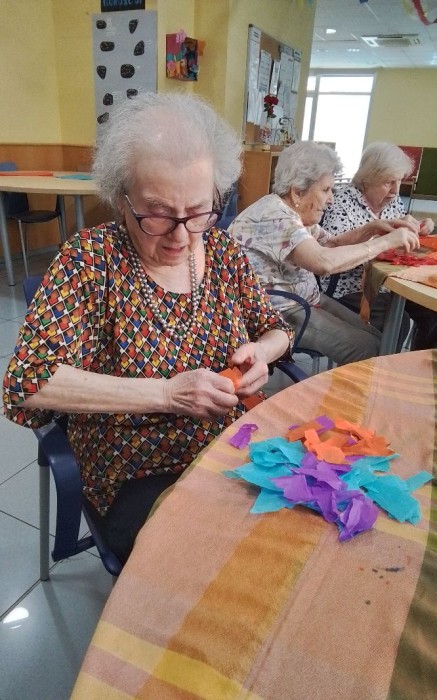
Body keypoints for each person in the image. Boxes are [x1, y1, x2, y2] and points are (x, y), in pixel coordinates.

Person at [2, 93, 293, 565]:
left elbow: (275, 328)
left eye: (198, 211)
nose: (181, 236)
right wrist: (168, 394)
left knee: (289, 542)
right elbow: (27, 380)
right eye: (157, 214)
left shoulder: (224, 253)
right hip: (134, 465)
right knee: (209, 562)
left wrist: (262, 352)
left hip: (232, 445)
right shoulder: (91, 261)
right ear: (122, 198)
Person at [228, 140, 420, 366]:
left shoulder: (294, 213)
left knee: (379, 339)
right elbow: (322, 262)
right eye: (326, 190)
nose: (331, 199)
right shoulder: (274, 216)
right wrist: (384, 242)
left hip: (307, 298)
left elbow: (331, 243)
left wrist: (373, 228)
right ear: (297, 192)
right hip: (280, 312)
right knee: (371, 349)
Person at [321, 141, 436, 350]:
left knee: (433, 313)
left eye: (399, 181)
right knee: (397, 324)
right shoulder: (340, 202)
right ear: (368, 178)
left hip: (392, 283)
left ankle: (419, 366)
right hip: (350, 286)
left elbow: (399, 236)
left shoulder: (393, 201)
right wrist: (376, 235)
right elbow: (332, 250)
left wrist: (418, 227)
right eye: (389, 182)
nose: (395, 190)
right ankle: (379, 369)